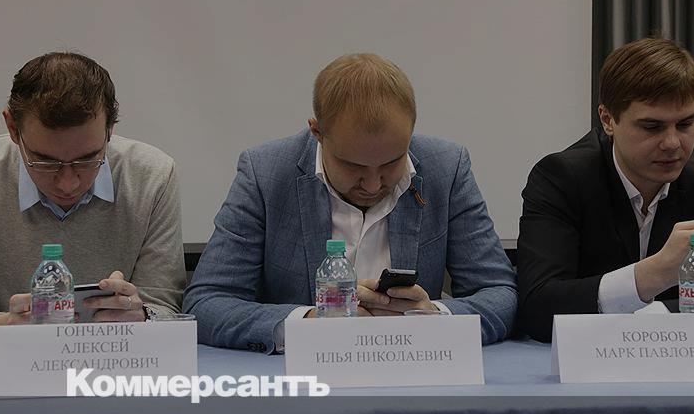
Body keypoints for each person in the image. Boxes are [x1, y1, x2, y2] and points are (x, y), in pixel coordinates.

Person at [185, 53, 516, 352]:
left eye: (392, 163)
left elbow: (499, 295)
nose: (372, 184)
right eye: (353, 166)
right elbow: (206, 303)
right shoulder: (266, 173)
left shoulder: (446, 167)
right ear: (317, 132)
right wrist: (309, 323)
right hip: (299, 383)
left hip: (414, 370)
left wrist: (432, 316)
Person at [0, 52, 185, 354]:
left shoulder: (152, 176)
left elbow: (165, 309)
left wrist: (142, 316)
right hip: (10, 368)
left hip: (116, 365)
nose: (68, 183)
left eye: (87, 159)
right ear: (13, 129)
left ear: (110, 129)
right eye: (44, 161)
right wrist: (4, 328)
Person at [517, 37, 694, 342]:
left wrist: (655, 318)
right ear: (608, 120)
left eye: (685, 124)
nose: (672, 143)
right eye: (651, 127)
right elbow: (538, 308)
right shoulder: (562, 177)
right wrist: (655, 273)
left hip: (682, 360)